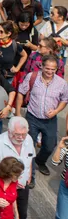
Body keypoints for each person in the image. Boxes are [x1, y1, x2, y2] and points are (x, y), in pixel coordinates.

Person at [14, 54, 68, 182]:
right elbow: (21, 93)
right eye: (47, 68)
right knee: (29, 147)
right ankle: (30, 176)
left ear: (57, 69)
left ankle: (40, 161)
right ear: (41, 66)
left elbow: (64, 100)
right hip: (32, 118)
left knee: (50, 145)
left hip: (50, 120)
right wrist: (18, 113)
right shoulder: (32, 77)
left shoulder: (62, 83)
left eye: (53, 69)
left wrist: (56, 111)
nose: (50, 71)